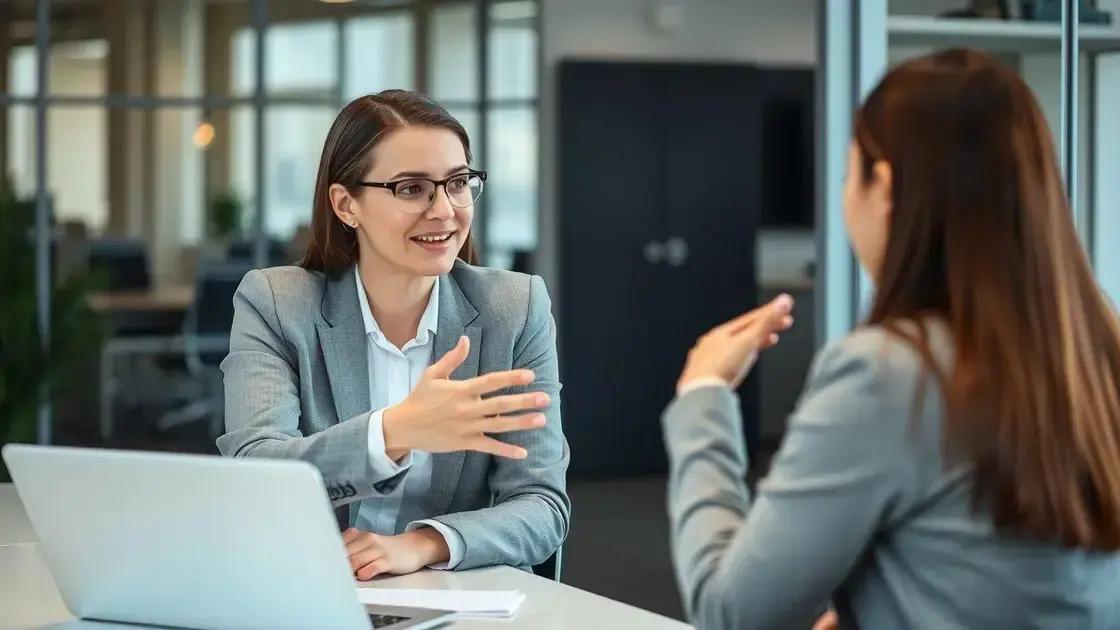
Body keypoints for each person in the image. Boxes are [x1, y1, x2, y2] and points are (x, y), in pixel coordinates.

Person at [662, 49, 1120, 629]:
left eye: (851, 170)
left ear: (885, 184)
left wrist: (704, 394)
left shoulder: (892, 373)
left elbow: (731, 610)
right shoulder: (1097, 348)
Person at [218, 90, 569, 580]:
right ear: (346, 205)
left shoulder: (514, 308)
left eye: (458, 183)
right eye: (411, 189)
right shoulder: (278, 303)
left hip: (456, 592)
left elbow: (541, 505)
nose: (445, 210)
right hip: (311, 584)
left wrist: (424, 544)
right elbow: (256, 471)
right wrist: (394, 432)